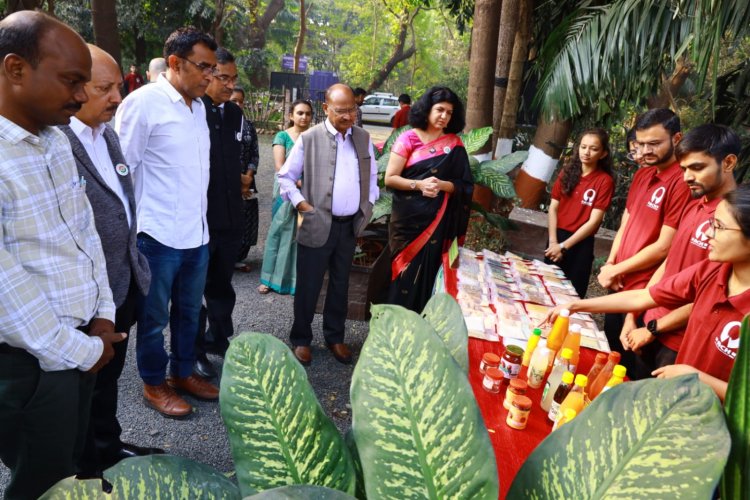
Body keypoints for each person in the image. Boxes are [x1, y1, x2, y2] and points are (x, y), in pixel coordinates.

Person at [0, 12, 125, 499]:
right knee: (42, 483)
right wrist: (85, 350)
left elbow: (83, 233)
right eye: (71, 81)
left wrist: (102, 314)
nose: (81, 95)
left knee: (72, 469)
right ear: (15, 69)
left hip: (80, 348)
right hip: (31, 363)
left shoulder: (54, 141)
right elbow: (7, 289)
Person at [58, 44, 162, 477]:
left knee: (107, 381)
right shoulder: (57, 142)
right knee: (78, 390)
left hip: (120, 286)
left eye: (118, 87)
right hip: (80, 297)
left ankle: (106, 446)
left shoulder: (109, 134)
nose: (117, 98)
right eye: (105, 88)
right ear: (75, 87)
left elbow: (121, 206)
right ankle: (81, 470)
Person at [545, 184, 750, 402]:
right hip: (681, 405)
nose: (708, 233)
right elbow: (644, 296)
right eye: (711, 223)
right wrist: (575, 306)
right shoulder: (712, 270)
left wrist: (697, 378)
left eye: (719, 226)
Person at [115, 26, 219, 418]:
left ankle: (183, 372)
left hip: (196, 232)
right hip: (157, 234)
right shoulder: (143, 103)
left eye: (212, 67)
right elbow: (122, 171)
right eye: (203, 67)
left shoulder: (199, 106)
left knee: (190, 311)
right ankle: (154, 383)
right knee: (155, 317)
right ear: (175, 63)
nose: (210, 75)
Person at [620, 124, 739, 379]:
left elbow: (711, 294)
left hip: (676, 342)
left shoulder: (734, 225)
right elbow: (667, 264)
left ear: (728, 163)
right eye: (684, 168)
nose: (686, 177)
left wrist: (654, 328)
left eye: (697, 168)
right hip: (649, 324)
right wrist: (635, 315)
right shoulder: (695, 204)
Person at [278, 84, 378, 366]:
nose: (348, 116)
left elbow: (371, 177)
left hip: (349, 226)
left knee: (340, 284)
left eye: (352, 110)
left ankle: (335, 337)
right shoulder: (309, 138)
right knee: (309, 285)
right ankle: (301, 339)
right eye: (341, 111)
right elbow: (285, 176)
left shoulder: (363, 137)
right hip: (316, 222)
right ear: (326, 109)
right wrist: (302, 205)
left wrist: (368, 205)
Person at [597, 109, 691, 369]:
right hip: (618, 283)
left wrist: (618, 269)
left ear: (677, 138)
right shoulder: (643, 174)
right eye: (641, 144)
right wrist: (611, 264)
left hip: (644, 292)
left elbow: (664, 248)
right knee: (607, 355)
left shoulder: (682, 182)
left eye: (654, 143)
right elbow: (625, 223)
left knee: (627, 367)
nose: (646, 151)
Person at [383, 86, 474, 312]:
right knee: (402, 273)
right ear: (427, 109)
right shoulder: (408, 138)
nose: (444, 116)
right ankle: (392, 325)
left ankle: (420, 328)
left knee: (429, 274)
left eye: (449, 113)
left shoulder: (454, 145)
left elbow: (464, 185)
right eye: (440, 110)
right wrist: (419, 185)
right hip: (407, 221)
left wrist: (441, 185)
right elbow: (390, 179)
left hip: (438, 221)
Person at [193, 47, 245, 380]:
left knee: (222, 285)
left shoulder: (235, 114)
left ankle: (218, 338)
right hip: (199, 217)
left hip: (230, 215)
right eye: (222, 77)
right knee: (192, 289)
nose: (228, 85)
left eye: (232, 79)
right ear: (208, 75)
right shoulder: (194, 112)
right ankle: (193, 350)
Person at [545, 129, 614, 298]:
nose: (587, 152)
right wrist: (554, 242)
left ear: (603, 153)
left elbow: (594, 222)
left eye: (593, 148)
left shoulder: (604, 181)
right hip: (556, 238)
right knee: (546, 289)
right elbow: (553, 208)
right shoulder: (567, 172)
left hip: (580, 243)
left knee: (572, 295)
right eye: (583, 147)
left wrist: (563, 247)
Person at [258, 99, 313, 295]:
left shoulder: (313, 138)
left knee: (299, 236)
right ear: (291, 115)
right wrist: (301, 183)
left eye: (307, 113)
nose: (304, 117)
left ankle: (293, 282)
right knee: (279, 233)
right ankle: (268, 279)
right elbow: (280, 168)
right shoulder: (282, 136)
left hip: (307, 192)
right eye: (299, 113)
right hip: (285, 191)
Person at [230, 87, 261, 272]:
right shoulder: (223, 123)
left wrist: (248, 177)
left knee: (247, 218)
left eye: (241, 101)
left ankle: (238, 256)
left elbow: (255, 154)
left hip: (248, 181)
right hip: (228, 180)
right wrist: (238, 178)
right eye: (234, 100)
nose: (238, 104)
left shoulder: (248, 125)